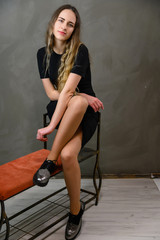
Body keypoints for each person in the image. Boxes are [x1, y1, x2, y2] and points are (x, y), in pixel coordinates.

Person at [33, 4, 104, 240]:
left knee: (79, 108)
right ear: (54, 22)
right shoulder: (42, 54)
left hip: (83, 115)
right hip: (61, 111)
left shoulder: (80, 50)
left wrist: (51, 127)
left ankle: (50, 162)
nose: (64, 26)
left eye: (70, 24)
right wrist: (83, 95)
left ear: (74, 30)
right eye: (61, 20)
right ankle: (76, 210)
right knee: (78, 103)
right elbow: (53, 94)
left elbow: (68, 90)